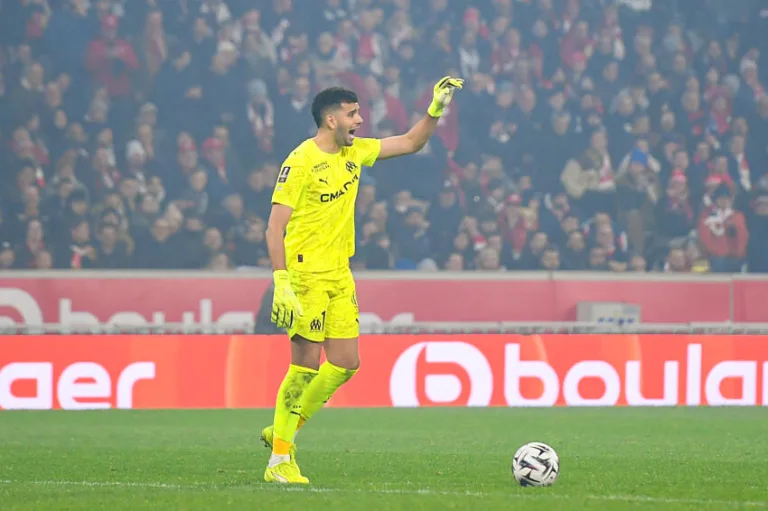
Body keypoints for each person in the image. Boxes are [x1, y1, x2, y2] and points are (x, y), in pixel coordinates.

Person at [259, 77, 463, 484]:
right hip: (306, 275)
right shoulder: (300, 161)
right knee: (304, 368)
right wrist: (282, 281)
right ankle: (279, 461)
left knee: (345, 363)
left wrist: (435, 108)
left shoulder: (354, 152)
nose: (360, 120)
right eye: (353, 114)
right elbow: (274, 227)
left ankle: (284, 429)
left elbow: (410, 142)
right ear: (331, 119)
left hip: (339, 272)